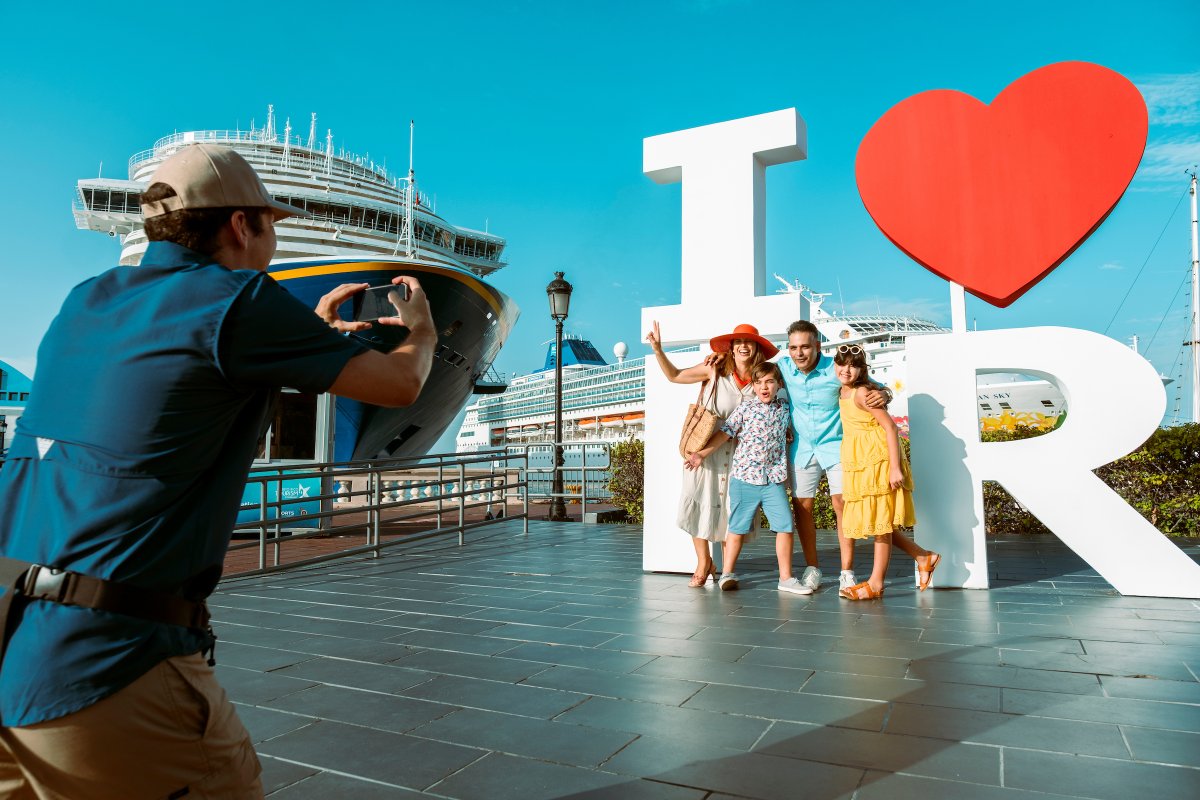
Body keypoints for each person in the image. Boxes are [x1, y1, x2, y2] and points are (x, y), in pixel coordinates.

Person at [0, 143, 437, 799]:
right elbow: (402, 384)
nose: (273, 240)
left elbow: (173, 396)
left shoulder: (83, 301)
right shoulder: (237, 300)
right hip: (105, 659)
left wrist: (305, 339)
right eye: (273, 224)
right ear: (241, 225)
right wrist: (422, 327)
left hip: (8, 628)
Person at [645, 321, 772, 587]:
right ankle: (704, 562)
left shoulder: (764, 379)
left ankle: (727, 569)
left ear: (757, 348)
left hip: (742, 455)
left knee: (731, 509)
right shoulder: (714, 369)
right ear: (732, 347)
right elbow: (675, 376)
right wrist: (658, 350)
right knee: (699, 500)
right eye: (738, 342)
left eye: (749, 342)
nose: (744, 346)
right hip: (704, 449)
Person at [778, 320, 889, 594]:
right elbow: (753, 373)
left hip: (837, 446)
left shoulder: (835, 368)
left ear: (817, 345)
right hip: (802, 448)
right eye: (794, 347)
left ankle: (846, 572)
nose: (799, 353)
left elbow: (877, 385)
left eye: (805, 346)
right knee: (802, 507)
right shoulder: (783, 366)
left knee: (843, 506)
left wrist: (884, 393)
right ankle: (812, 568)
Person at [686, 362, 808, 594]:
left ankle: (786, 578)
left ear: (779, 385)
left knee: (785, 526)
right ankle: (728, 574)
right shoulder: (745, 408)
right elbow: (725, 433)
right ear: (753, 386)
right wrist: (701, 454)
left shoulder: (784, 408)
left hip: (773, 479)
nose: (764, 387)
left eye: (770, 382)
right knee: (737, 528)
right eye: (759, 382)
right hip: (744, 478)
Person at [833, 345, 940, 600]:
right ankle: (923, 556)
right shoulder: (843, 390)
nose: (846, 370)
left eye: (853, 365)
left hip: (878, 460)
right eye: (842, 363)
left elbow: (891, 428)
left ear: (862, 369)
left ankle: (876, 583)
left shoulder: (861, 393)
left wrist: (894, 469)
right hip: (861, 460)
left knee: (881, 523)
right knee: (877, 520)